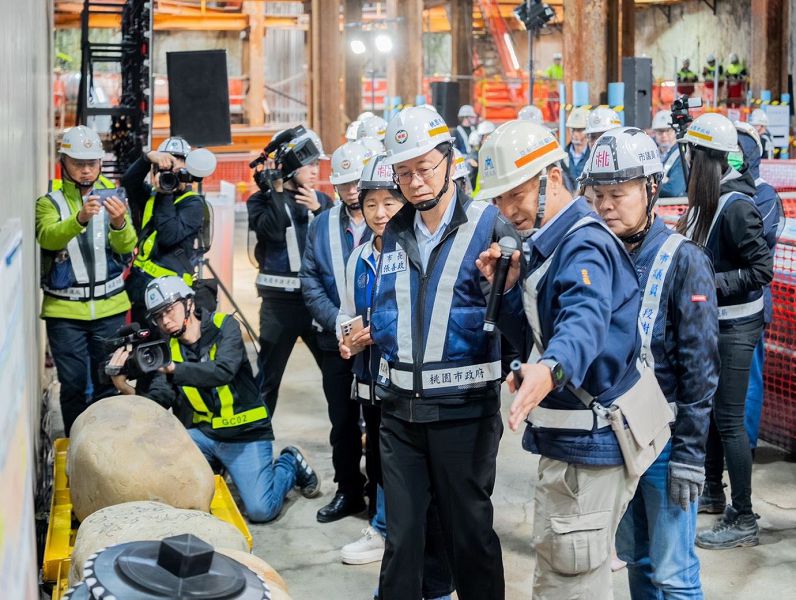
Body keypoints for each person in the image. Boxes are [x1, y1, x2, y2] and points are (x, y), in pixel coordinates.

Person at [475, 120, 671, 599]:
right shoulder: (551, 244)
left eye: (516, 194)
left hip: (590, 445)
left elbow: (583, 322)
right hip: (571, 439)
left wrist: (550, 368)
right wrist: (510, 288)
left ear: (553, 178)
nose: (506, 210)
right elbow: (548, 325)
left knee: (571, 582)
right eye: (499, 199)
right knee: (567, 573)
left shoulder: (583, 242)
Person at [370, 106, 517, 600]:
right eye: (403, 172)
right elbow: (391, 310)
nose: (414, 182)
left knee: (469, 534)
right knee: (403, 540)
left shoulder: (490, 224)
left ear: (451, 161)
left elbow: (516, 314)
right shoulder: (394, 230)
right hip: (399, 415)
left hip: (464, 414)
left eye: (425, 167)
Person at [583, 127, 719, 598]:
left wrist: (689, 457)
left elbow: (701, 370)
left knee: (674, 573)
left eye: (618, 194)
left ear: (651, 189)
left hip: (666, 445)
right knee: (637, 560)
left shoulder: (684, 260)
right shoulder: (596, 258)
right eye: (598, 194)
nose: (605, 206)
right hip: (614, 444)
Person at [108, 276, 322, 523]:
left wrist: (172, 370)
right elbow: (158, 404)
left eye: (169, 310)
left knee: (261, 511)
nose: (165, 321)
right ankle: (216, 466)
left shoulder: (225, 326)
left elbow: (224, 370)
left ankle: (289, 463)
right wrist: (122, 385)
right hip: (203, 437)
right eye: (158, 317)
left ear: (188, 302)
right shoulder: (167, 350)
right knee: (175, 491)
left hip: (244, 434)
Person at [336, 155, 454, 600]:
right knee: (386, 474)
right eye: (371, 204)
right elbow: (346, 315)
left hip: (414, 389)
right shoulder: (360, 257)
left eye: (389, 202)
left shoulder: (418, 251)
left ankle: (433, 580)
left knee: (428, 497)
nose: (381, 213)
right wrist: (349, 338)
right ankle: (384, 534)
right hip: (373, 385)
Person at [677, 113, 773, 548]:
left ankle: (744, 516)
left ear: (706, 159)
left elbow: (761, 269)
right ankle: (713, 494)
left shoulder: (737, 208)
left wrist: (711, 283)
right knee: (716, 416)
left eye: (692, 157)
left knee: (731, 422)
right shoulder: (712, 202)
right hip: (718, 323)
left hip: (737, 326)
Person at [37, 125, 136, 435]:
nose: (85, 170)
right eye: (78, 163)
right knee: (74, 386)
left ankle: (104, 447)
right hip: (65, 314)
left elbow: (126, 247)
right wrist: (79, 219)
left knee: (110, 381)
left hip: (110, 309)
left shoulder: (115, 197)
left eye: (92, 163)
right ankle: (78, 446)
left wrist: (119, 224)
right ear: (63, 162)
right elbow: (48, 238)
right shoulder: (49, 203)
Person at [300, 140, 372, 523]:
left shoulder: (390, 218)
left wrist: (371, 328)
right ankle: (349, 491)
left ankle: (379, 494)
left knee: (378, 424)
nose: (353, 191)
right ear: (336, 186)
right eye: (345, 184)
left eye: (358, 182)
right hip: (335, 342)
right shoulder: (321, 224)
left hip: (380, 343)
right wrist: (338, 325)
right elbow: (310, 281)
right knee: (342, 421)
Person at [247, 127, 333, 416]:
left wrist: (321, 210)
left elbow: (336, 245)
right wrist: (275, 192)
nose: (314, 171)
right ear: (290, 164)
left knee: (335, 376)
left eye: (316, 165)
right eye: (308, 164)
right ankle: (255, 442)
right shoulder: (260, 200)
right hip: (278, 305)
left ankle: (355, 432)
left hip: (315, 303)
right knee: (267, 381)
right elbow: (271, 232)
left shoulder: (323, 201)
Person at [732, 122, 783, 454]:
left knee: (748, 381)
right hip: (720, 305)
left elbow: (748, 248)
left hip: (750, 305)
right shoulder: (728, 193)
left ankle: (744, 446)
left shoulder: (764, 196)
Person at [121, 136, 208, 326]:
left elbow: (169, 235)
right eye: (166, 169)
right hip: (141, 288)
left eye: (178, 168)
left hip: (171, 296)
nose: (172, 175)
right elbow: (128, 182)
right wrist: (147, 158)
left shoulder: (193, 204)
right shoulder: (151, 196)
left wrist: (166, 194)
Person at [652, 109, 687, 198]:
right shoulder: (651, 152)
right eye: (660, 131)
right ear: (654, 133)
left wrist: (648, 186)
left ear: (675, 131)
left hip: (676, 208)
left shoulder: (682, 155)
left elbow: (673, 190)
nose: (664, 135)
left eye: (668, 130)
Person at [563, 106, 591, 189]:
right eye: (572, 130)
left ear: (588, 130)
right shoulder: (562, 157)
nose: (575, 134)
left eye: (579, 130)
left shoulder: (593, 157)